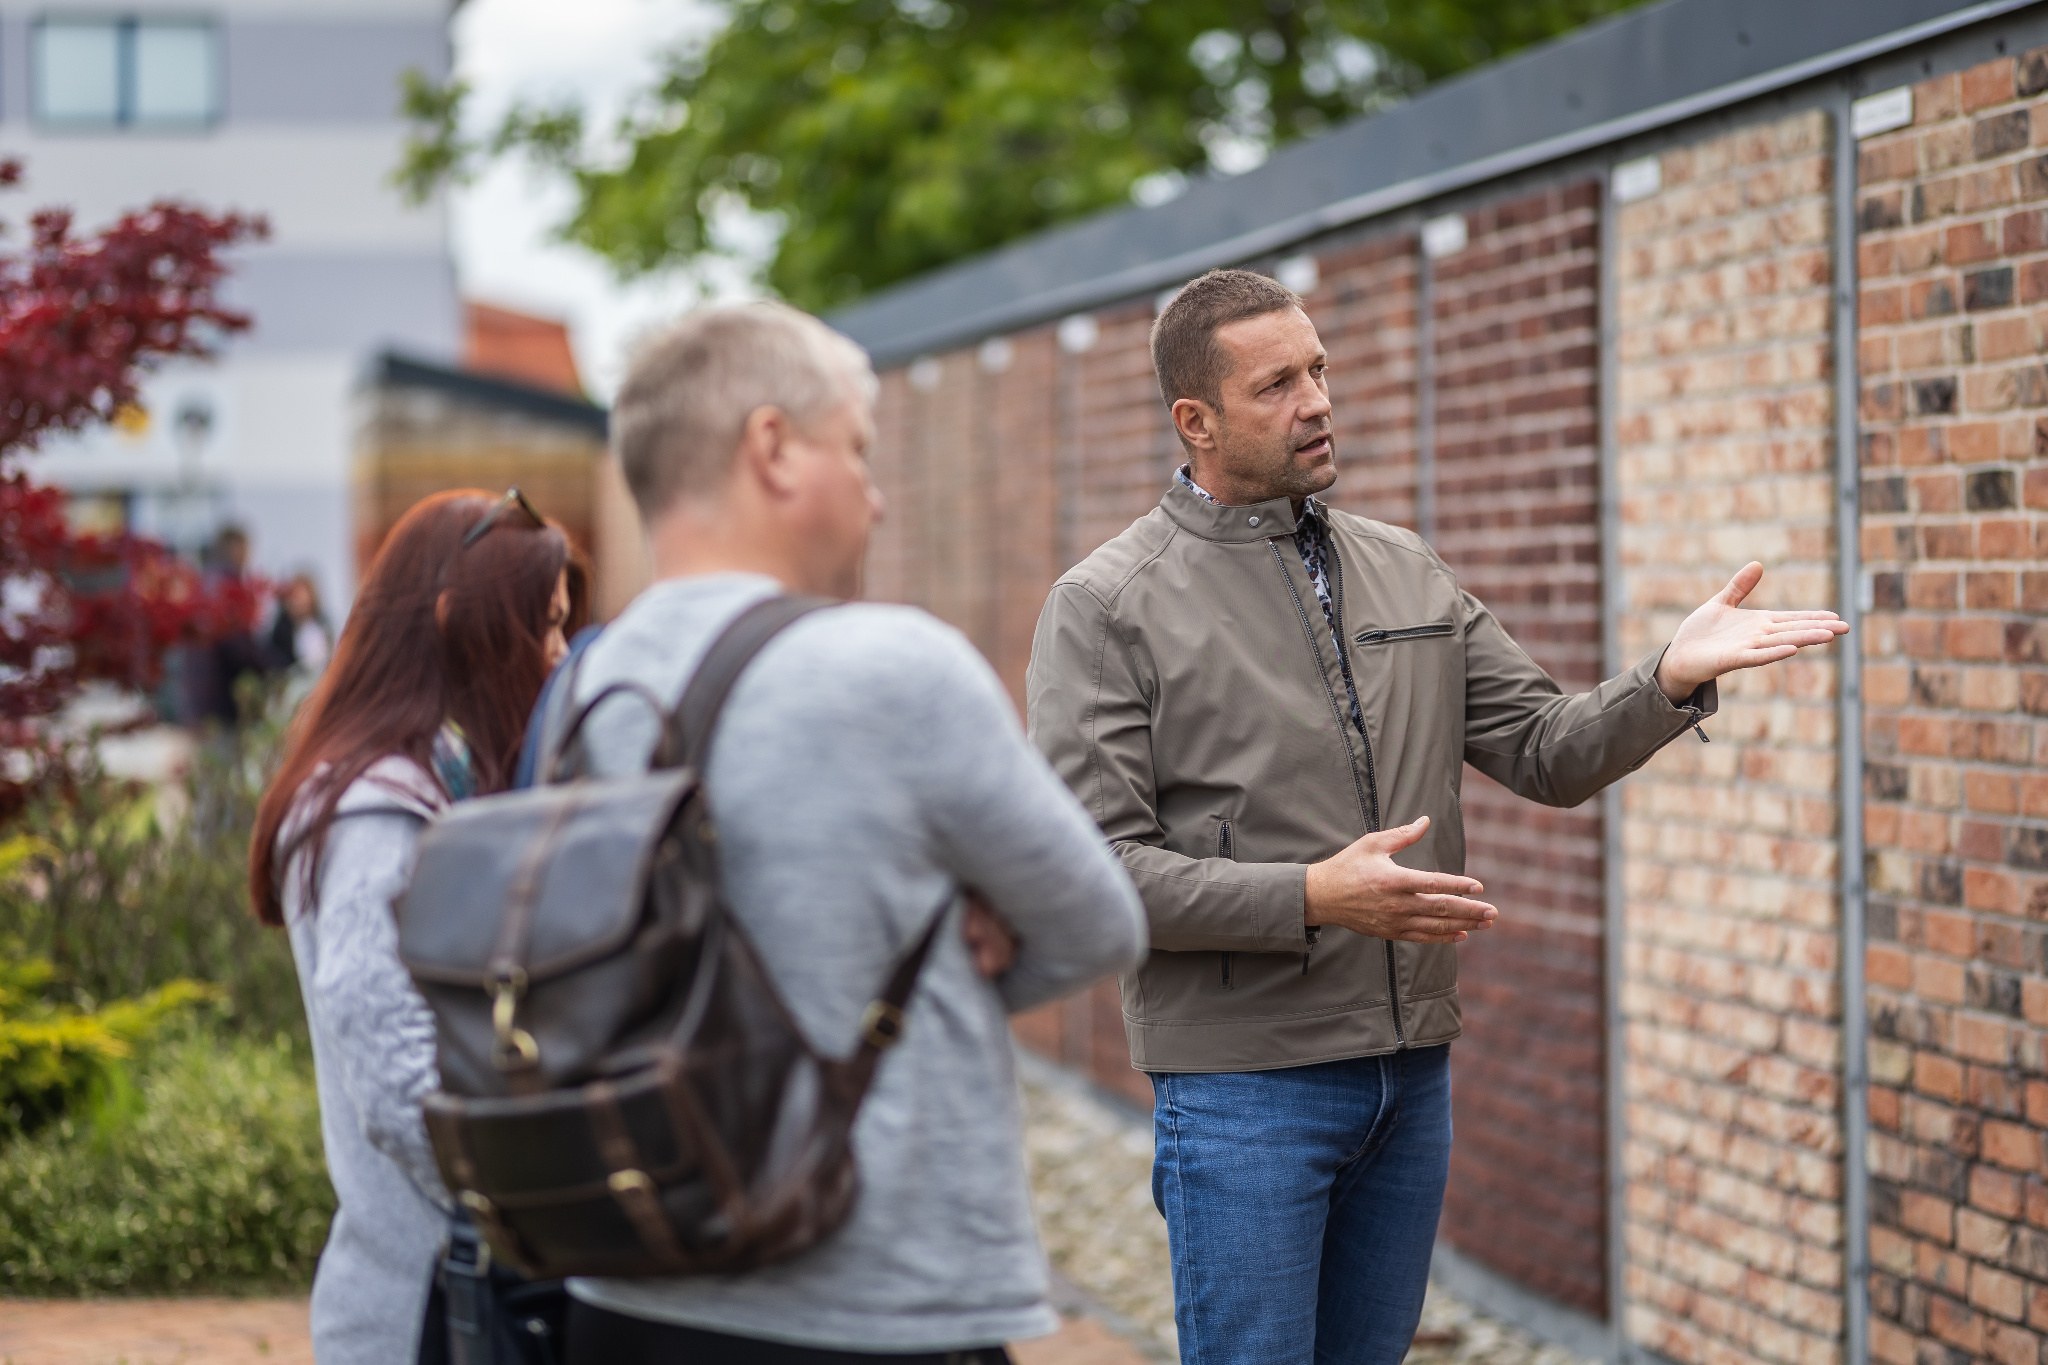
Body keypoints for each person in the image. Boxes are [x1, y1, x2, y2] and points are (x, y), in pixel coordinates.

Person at [1024, 268, 1850, 1365]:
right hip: (1241, 1094)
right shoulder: (1105, 606)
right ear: (1196, 420)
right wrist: (1315, 896)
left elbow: (1545, 753)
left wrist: (1664, 676)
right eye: (1275, 384)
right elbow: (1089, 875)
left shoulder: (1402, 566)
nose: (1316, 399)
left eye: (1317, 369)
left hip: (1409, 1078)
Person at [556, 300, 1147, 1364]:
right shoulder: (890, 666)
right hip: (869, 1295)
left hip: (623, 1283)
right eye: (859, 451)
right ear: (771, 447)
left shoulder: (582, 685)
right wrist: (937, 966)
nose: (876, 500)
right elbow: (1099, 920)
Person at [247, 489, 584, 1365]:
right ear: (455, 623)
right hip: (433, 1311)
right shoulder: (374, 815)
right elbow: (400, 1081)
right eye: (540, 627)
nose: (557, 657)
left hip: (460, 1292)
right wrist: (540, 1210)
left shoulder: (443, 786)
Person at [268, 570, 333, 674]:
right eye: (294, 596)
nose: (297, 601)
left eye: (301, 595)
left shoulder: (322, 625)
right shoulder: (282, 632)